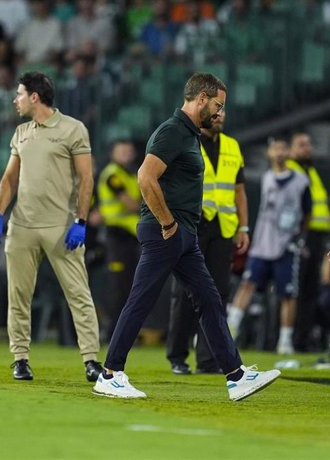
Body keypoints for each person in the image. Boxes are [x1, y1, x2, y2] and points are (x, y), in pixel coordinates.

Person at [92, 72, 280, 400]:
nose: (220, 112)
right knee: (141, 300)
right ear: (201, 99)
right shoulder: (172, 131)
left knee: (210, 299)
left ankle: (236, 376)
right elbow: (145, 177)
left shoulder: (189, 134)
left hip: (184, 235)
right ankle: (110, 374)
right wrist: (167, 224)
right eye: (218, 105)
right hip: (167, 232)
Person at [0, 71, 102, 382]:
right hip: (22, 225)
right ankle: (20, 359)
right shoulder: (21, 132)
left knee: (78, 293)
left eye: (20, 94)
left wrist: (80, 221)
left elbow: (86, 179)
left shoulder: (73, 129)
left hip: (61, 225)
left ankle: (91, 360)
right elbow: (10, 178)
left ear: (35, 97)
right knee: (19, 295)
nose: (16, 100)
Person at [166, 104, 250, 375]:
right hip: (193, 223)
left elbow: (239, 190)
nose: (221, 115)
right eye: (216, 112)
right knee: (184, 292)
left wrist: (244, 227)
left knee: (217, 293)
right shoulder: (186, 141)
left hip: (223, 227)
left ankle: (208, 359)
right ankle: (177, 356)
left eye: (223, 112)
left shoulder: (233, 147)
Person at [227, 138, 311, 354]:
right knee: (247, 284)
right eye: (276, 148)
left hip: (286, 245)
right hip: (263, 244)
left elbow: (307, 212)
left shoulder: (301, 181)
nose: (280, 153)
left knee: (287, 294)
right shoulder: (265, 178)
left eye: (283, 148)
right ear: (269, 153)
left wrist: (299, 238)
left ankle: (285, 340)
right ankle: (231, 327)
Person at [287, 132, 330, 351]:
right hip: (301, 236)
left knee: (311, 290)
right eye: (301, 145)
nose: (307, 148)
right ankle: (291, 339)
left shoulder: (310, 170)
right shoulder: (290, 170)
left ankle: (303, 339)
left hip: (317, 236)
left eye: (308, 144)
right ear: (291, 149)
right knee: (296, 290)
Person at [97, 139, 141, 341]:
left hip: (131, 236)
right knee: (118, 285)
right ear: (113, 153)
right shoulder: (113, 175)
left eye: (128, 151)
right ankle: (111, 331)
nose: (125, 154)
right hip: (116, 235)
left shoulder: (130, 174)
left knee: (129, 285)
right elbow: (131, 204)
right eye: (121, 151)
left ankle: (123, 332)